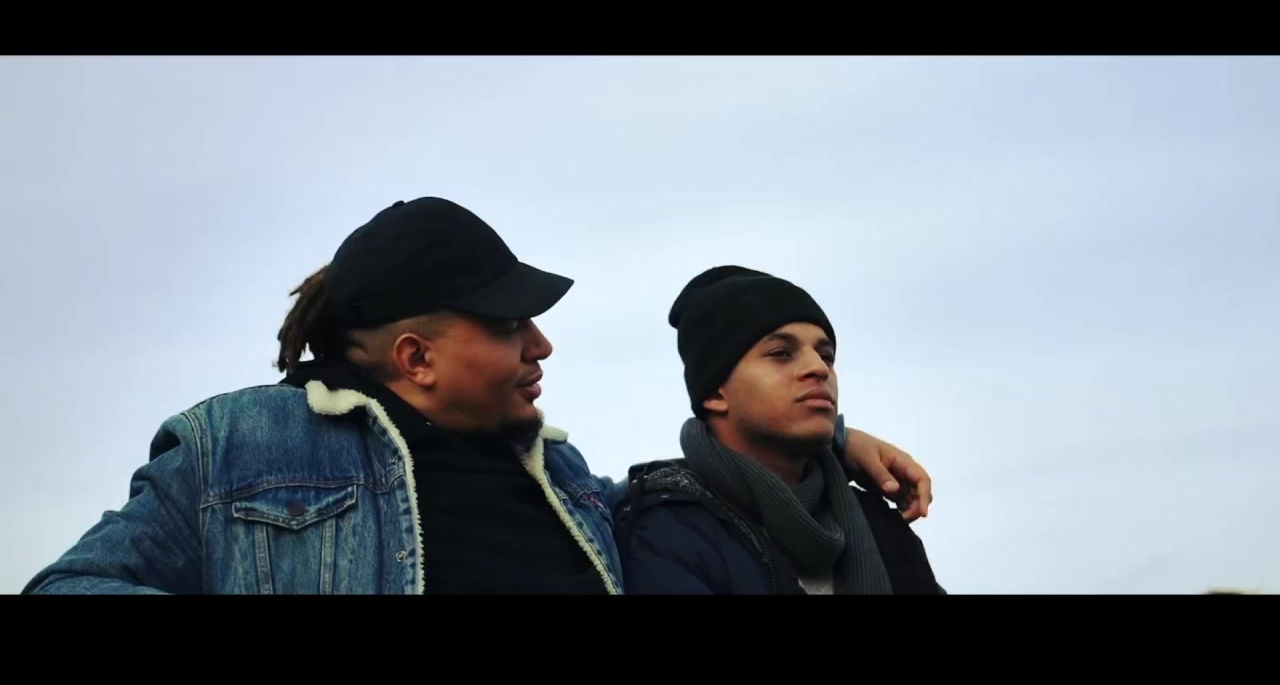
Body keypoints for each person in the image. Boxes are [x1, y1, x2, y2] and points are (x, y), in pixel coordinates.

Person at [22, 197, 933, 595]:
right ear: (416, 356)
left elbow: (698, 493)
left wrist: (830, 440)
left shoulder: (567, 479)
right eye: (508, 325)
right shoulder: (239, 448)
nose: (540, 345)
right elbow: (68, 585)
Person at [615, 266, 945, 594]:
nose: (818, 368)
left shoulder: (879, 525)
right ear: (715, 392)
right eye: (781, 354)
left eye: (826, 356)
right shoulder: (666, 528)